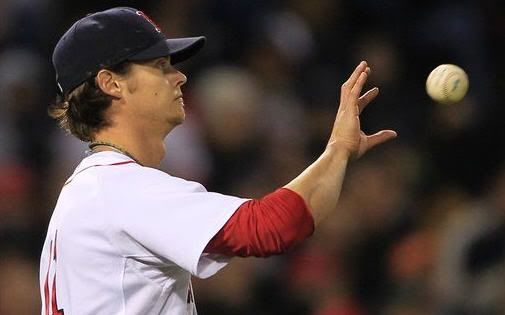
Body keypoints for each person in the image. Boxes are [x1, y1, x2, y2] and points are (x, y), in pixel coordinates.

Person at [39, 6, 397, 315]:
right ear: (111, 84)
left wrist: (338, 152)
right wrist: (337, 149)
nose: (179, 76)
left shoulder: (93, 189)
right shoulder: (117, 188)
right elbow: (270, 228)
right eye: (160, 66)